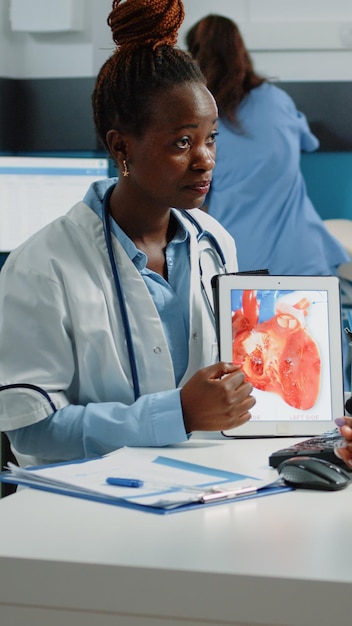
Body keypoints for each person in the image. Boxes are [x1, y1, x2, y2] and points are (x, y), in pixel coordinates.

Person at [0, 0, 256, 468]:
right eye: (183, 141)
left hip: (205, 488)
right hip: (85, 514)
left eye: (210, 137)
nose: (205, 159)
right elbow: (32, 431)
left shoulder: (215, 243)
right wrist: (175, 413)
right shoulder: (42, 267)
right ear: (121, 146)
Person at [185, 14, 350, 276]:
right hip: (303, 259)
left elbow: (195, 197)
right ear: (240, 52)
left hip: (240, 263)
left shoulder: (202, 121)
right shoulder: (277, 100)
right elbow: (309, 142)